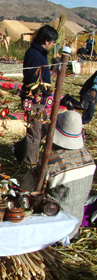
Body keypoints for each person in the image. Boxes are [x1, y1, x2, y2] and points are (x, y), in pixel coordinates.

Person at [21, 111, 96, 239]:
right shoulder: (88, 158)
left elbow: (25, 188)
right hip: (75, 223)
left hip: (53, 226)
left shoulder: (50, 162)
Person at [14, 25, 58, 166]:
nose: (54, 44)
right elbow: (34, 80)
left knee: (42, 128)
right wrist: (38, 98)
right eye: (53, 41)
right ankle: (28, 163)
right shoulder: (36, 56)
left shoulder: (40, 54)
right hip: (34, 99)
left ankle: (18, 149)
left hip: (39, 99)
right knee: (35, 134)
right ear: (46, 41)